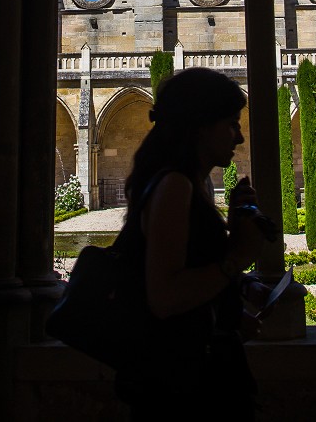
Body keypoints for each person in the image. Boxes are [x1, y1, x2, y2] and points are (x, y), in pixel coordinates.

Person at [113, 67, 273, 419]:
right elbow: (165, 297)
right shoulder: (174, 186)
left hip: (193, 380)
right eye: (231, 123)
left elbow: (190, 270)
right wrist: (238, 255)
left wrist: (235, 295)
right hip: (181, 395)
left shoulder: (192, 184)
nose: (240, 137)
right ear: (201, 126)